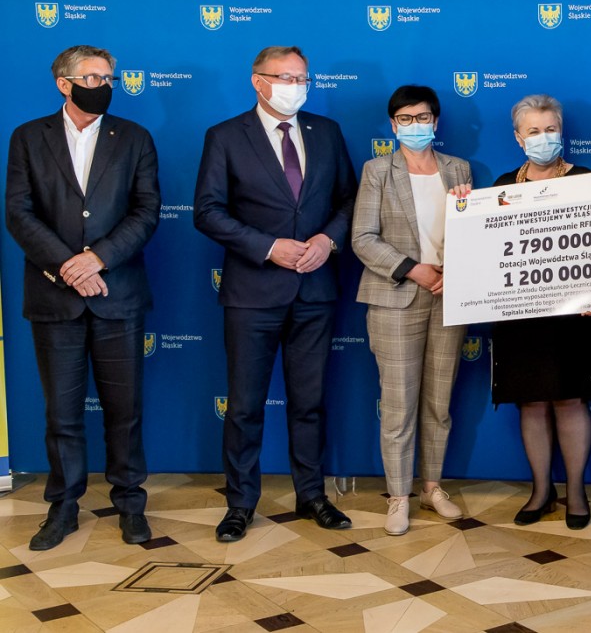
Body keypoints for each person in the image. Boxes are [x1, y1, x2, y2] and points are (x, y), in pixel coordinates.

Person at [194, 46, 356, 542]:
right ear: (258, 81)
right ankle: (240, 504)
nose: (296, 86)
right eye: (285, 77)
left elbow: (349, 199)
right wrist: (268, 247)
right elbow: (208, 211)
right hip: (252, 293)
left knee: (309, 402)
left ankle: (312, 496)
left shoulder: (326, 132)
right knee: (245, 406)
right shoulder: (225, 136)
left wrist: (328, 240)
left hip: (315, 291)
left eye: (302, 77)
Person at [6, 45, 160, 550]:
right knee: (62, 413)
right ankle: (63, 507)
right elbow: (19, 213)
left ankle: (130, 503)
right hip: (55, 298)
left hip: (118, 293)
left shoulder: (134, 138)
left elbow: (146, 210)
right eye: (93, 77)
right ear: (64, 83)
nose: (104, 85)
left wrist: (97, 259)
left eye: (109, 77)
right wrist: (68, 268)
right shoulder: (28, 137)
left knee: (125, 410)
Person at [351, 85, 472, 536]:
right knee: (399, 404)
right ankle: (398, 495)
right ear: (393, 124)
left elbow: (475, 230)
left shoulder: (458, 168)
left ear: (435, 122)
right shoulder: (377, 170)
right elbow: (362, 238)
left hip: (449, 295)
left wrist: (454, 271)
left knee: (439, 402)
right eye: (405, 118)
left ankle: (431, 487)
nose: (415, 125)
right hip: (395, 296)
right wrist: (411, 269)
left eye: (422, 118)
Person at [491, 94, 591, 530]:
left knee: (569, 399)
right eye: (533, 131)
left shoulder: (586, 180)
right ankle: (541, 491)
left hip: (573, 312)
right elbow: (487, 249)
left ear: (562, 132)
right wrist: (462, 203)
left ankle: (576, 492)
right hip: (519, 314)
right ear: (519, 139)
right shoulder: (500, 187)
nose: (542, 138)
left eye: (550, 129)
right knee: (531, 402)